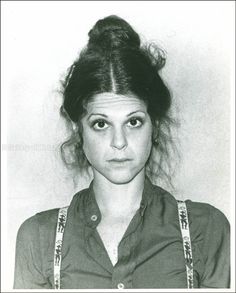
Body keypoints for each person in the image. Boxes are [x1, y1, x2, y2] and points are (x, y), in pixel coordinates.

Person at [14, 15, 230, 289]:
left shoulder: (206, 230)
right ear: (78, 129)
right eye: (101, 124)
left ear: (155, 124)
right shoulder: (39, 239)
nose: (119, 141)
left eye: (133, 121)